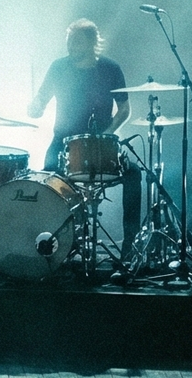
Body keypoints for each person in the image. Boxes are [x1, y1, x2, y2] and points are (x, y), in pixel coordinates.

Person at [28, 19, 142, 241]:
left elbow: (125, 109)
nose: (71, 46)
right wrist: (34, 108)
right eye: (69, 41)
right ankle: (51, 242)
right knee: (47, 181)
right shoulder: (58, 67)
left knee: (133, 174)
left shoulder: (110, 69)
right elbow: (40, 102)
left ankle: (130, 244)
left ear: (92, 43)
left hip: (102, 145)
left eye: (76, 42)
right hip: (62, 142)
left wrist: (108, 133)